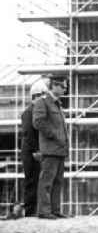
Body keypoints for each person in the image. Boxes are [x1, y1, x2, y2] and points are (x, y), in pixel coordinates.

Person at [33, 77, 69, 219]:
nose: (65, 90)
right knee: (47, 181)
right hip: (50, 149)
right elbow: (38, 122)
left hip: (59, 149)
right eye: (63, 87)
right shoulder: (42, 102)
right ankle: (44, 211)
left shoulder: (57, 104)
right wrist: (54, 135)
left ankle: (55, 210)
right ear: (54, 86)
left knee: (57, 181)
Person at [20, 80, 48, 217]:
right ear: (35, 97)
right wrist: (36, 150)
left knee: (38, 182)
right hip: (31, 153)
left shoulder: (37, 112)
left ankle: (36, 211)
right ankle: (30, 212)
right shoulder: (28, 113)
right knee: (31, 181)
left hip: (36, 151)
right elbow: (28, 134)